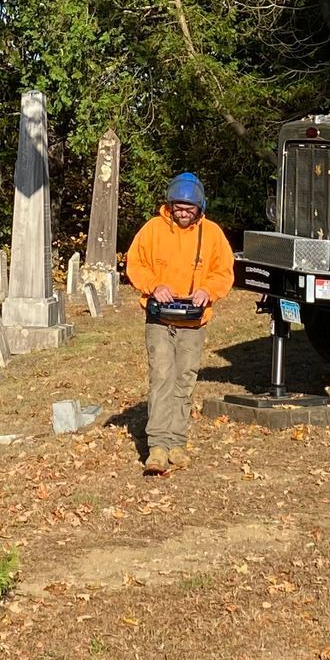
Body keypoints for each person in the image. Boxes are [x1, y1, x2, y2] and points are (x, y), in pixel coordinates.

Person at [124, 171, 234, 474]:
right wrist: (154, 285)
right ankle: (157, 446)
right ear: (169, 205)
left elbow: (223, 271)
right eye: (179, 208)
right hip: (160, 318)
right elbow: (135, 264)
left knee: (185, 379)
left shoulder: (212, 234)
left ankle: (177, 442)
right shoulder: (152, 230)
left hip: (194, 322)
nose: (184, 213)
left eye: (190, 209)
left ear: (200, 208)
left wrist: (207, 290)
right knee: (161, 376)